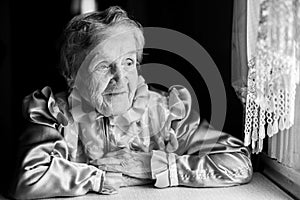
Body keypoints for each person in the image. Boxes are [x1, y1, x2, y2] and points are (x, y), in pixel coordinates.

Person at [9, 6, 253, 200]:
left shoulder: (166, 110)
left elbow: (238, 164)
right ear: (72, 75)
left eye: (128, 62)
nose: (120, 78)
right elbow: (27, 179)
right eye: (103, 66)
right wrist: (99, 178)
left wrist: (154, 166)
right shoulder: (54, 114)